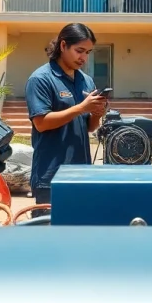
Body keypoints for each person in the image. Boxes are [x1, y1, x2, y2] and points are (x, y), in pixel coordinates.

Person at [24, 23, 107, 210]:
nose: (84, 58)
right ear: (63, 46)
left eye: (88, 52)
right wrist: (80, 108)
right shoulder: (41, 79)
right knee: (49, 237)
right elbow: (41, 123)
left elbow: (89, 127)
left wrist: (96, 113)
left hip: (80, 174)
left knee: (79, 236)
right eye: (80, 51)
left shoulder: (86, 80)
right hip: (50, 176)